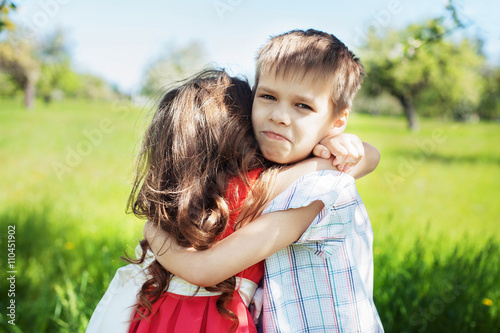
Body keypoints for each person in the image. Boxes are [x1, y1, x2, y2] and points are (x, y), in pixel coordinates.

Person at [86, 67, 378, 333]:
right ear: (240, 132)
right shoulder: (255, 188)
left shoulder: (183, 196)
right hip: (217, 319)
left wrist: (154, 232)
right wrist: (337, 146)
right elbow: (357, 163)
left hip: (153, 312)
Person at [146, 29, 384, 332]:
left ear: (337, 121)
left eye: (303, 106)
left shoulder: (319, 189)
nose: (280, 116)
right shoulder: (293, 171)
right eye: (268, 96)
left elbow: (204, 269)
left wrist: (154, 233)